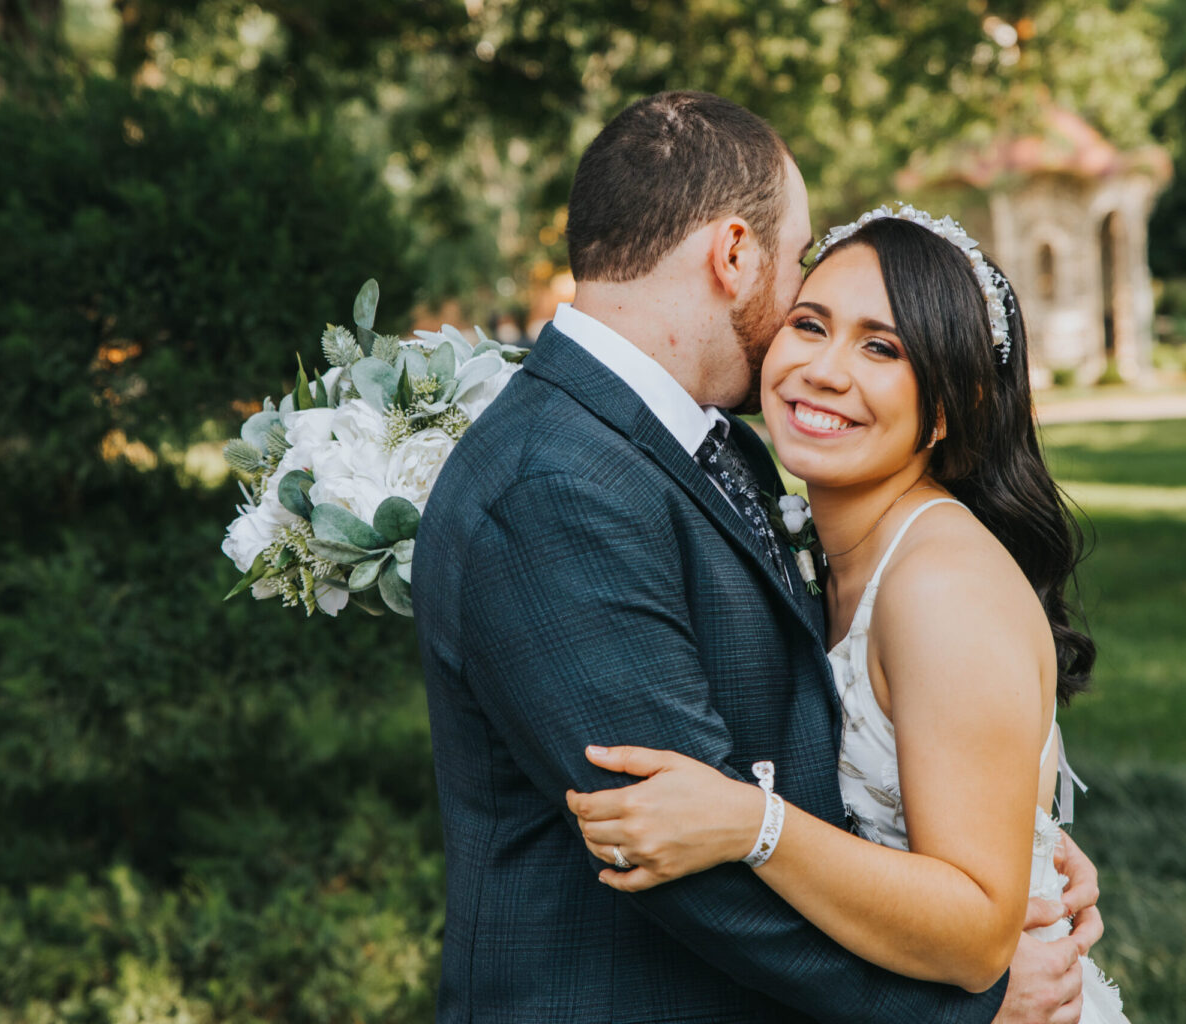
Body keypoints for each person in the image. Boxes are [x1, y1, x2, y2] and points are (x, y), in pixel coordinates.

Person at [414, 91, 1097, 1023]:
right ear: (735, 254)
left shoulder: (719, 449)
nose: (814, 356)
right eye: (806, 295)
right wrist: (964, 1005)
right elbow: (672, 851)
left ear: (944, 408)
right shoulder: (558, 482)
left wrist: (1021, 846)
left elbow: (783, 759)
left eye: (882, 346)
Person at [567, 205, 1129, 1023]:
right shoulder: (825, 547)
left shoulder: (941, 585)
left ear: (946, 409)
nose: (825, 370)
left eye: (881, 348)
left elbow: (977, 937)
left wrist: (749, 826)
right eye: (810, 324)